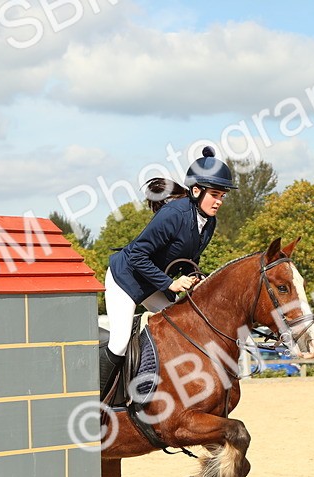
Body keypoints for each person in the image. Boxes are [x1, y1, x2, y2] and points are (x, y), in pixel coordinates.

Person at [99, 145, 234, 396]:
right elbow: (138, 255)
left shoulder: (208, 222)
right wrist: (170, 284)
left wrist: (196, 277)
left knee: (181, 329)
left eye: (222, 196)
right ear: (197, 191)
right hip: (125, 279)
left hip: (151, 284)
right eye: (215, 194)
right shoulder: (173, 214)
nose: (219, 201)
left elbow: (188, 260)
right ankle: (95, 397)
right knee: (118, 344)